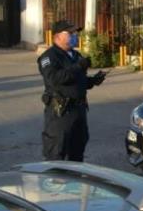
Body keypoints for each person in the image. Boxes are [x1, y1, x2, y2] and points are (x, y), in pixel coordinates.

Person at [37, 20, 106, 161]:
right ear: (57, 37)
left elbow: (77, 81)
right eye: (70, 33)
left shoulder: (76, 55)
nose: (75, 36)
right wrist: (78, 67)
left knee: (77, 151)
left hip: (79, 109)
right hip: (61, 111)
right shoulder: (49, 57)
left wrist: (93, 81)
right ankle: (55, 181)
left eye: (75, 33)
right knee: (56, 151)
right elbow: (54, 79)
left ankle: (76, 181)